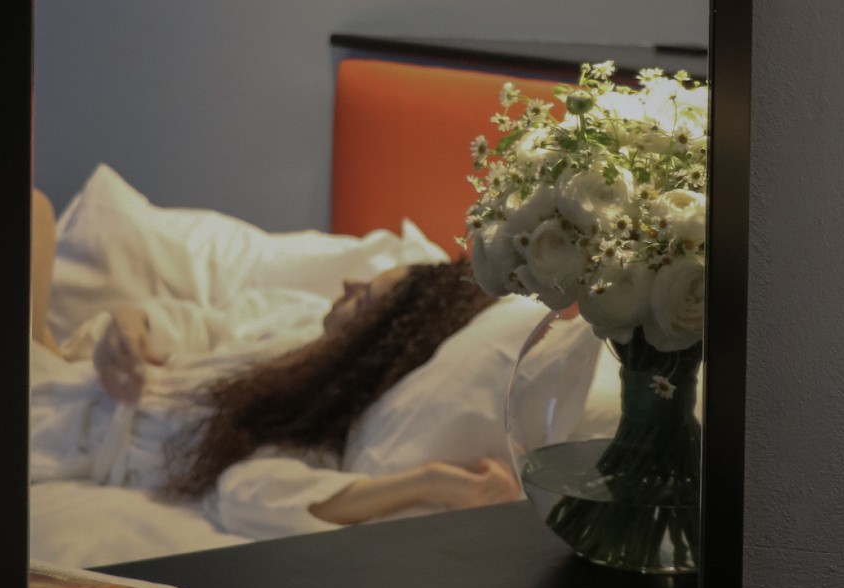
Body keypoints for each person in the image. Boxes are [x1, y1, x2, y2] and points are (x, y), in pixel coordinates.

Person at [29, 189, 519, 539]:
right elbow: (196, 322)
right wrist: (129, 325)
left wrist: (426, 482)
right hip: (75, 375)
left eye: (364, 297)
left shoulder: (311, 416)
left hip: (62, 433)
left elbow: (252, 494)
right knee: (33, 208)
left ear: (375, 344)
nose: (347, 284)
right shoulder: (297, 316)